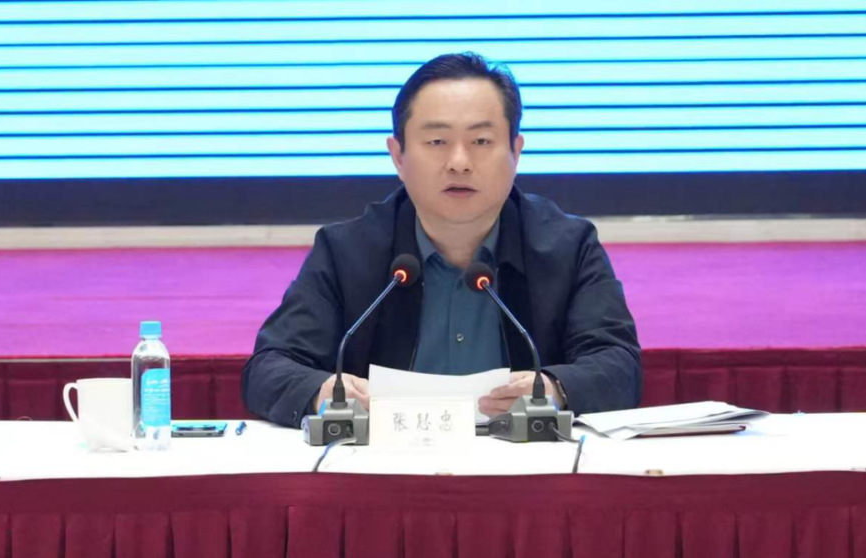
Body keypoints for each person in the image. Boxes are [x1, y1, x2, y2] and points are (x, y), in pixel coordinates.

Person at [242, 52, 641, 428]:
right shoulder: (347, 251)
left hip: (528, 464)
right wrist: (323, 392)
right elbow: (270, 366)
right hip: (383, 465)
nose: (459, 162)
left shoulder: (568, 247)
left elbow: (618, 365)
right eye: (437, 142)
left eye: (481, 141)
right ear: (398, 156)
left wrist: (554, 390)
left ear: (516, 152)